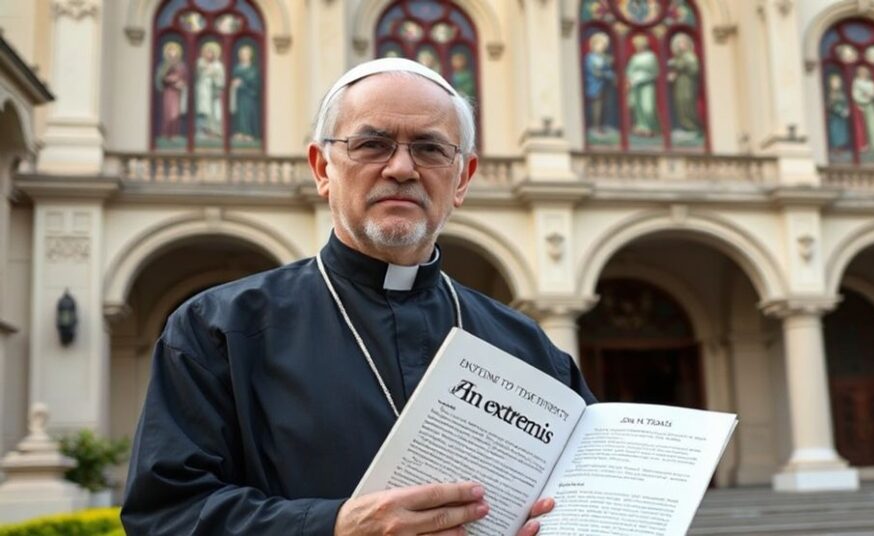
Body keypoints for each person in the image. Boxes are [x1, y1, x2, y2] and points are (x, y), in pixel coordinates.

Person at [121, 57, 595, 535]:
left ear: (462, 180)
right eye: (372, 144)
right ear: (322, 168)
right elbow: (165, 516)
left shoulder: (529, 349)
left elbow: (586, 497)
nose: (402, 168)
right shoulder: (218, 329)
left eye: (431, 149)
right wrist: (334, 526)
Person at [626, 34, 659, 137]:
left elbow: (655, 71)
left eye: (639, 45)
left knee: (647, 107)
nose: (637, 47)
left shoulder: (651, 56)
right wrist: (630, 80)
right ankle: (641, 127)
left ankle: (651, 127)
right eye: (636, 45)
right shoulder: (634, 58)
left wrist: (644, 76)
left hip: (647, 84)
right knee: (637, 106)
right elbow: (629, 71)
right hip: (635, 85)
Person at [155, 41, 188, 140]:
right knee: (167, 113)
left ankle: (175, 134)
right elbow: (160, 77)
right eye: (170, 51)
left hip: (178, 92)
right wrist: (169, 79)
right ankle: (166, 134)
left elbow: (185, 78)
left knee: (175, 113)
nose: (172, 53)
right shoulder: (164, 65)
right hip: (168, 91)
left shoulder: (181, 66)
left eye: (174, 51)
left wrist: (181, 83)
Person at [195, 41, 226, 139]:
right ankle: (203, 132)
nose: (209, 54)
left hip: (214, 92)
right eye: (207, 52)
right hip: (203, 91)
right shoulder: (200, 62)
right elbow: (197, 75)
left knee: (215, 112)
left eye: (211, 52)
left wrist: (214, 75)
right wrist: (205, 71)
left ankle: (215, 131)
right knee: (204, 112)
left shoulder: (218, 65)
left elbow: (222, 79)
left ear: (214, 54)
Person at [230, 44, 260, 143]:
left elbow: (254, 84)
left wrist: (242, 84)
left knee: (247, 113)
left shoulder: (253, 69)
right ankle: (240, 132)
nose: (243, 56)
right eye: (242, 54)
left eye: (246, 54)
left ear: (250, 55)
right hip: (238, 95)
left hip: (249, 96)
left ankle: (248, 133)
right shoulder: (237, 68)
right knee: (239, 113)